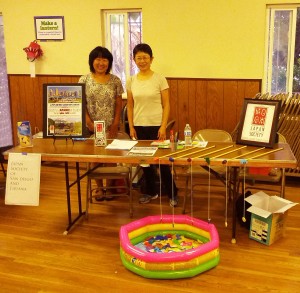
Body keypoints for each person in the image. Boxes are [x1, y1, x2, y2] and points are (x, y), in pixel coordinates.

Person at [126, 43, 178, 207]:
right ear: (134, 59)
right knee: (145, 162)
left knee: (162, 162)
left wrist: (163, 127)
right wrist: (131, 126)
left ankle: (173, 194)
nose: (142, 61)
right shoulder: (131, 80)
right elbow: (130, 105)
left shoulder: (159, 79)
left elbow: (167, 105)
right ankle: (150, 191)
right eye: (138, 58)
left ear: (151, 59)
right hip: (139, 126)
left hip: (157, 126)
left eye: (145, 57)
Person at [79, 46, 123, 200]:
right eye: (98, 59)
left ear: (109, 62)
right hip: (91, 126)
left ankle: (110, 187)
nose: (101, 63)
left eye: (105, 59)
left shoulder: (115, 80)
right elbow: (81, 103)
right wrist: (88, 122)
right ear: (92, 61)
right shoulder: (84, 79)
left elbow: (119, 103)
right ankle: (99, 187)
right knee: (94, 157)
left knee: (111, 158)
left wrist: (116, 123)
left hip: (110, 125)